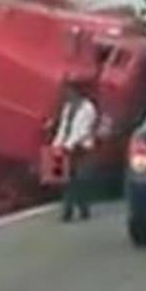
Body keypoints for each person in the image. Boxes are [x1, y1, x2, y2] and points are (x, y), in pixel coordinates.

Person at [52, 76, 98, 223]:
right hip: (68, 147)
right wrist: (57, 144)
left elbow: (82, 130)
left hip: (81, 148)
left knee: (80, 180)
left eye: (69, 91)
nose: (67, 94)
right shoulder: (67, 108)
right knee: (67, 180)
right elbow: (64, 127)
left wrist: (68, 145)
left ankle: (80, 208)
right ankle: (69, 210)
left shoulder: (88, 108)